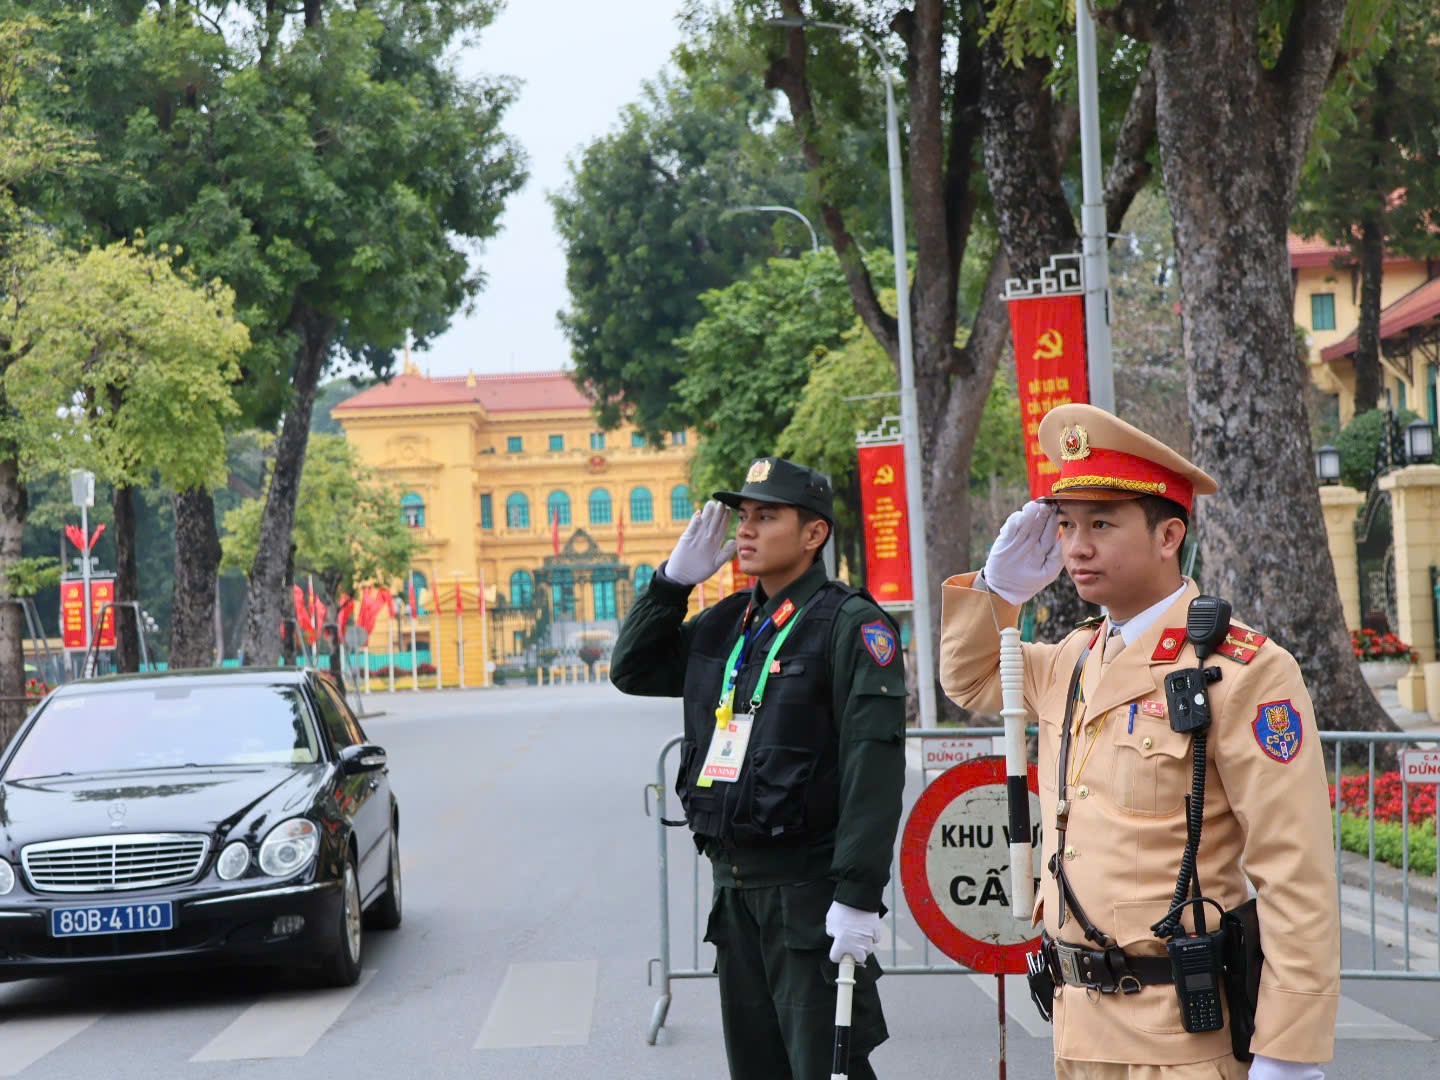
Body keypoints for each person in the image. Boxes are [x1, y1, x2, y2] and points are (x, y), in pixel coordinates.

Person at [939, 404, 1339, 1080]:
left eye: (1101, 523)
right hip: (1079, 1029)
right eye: (1065, 525)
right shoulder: (1073, 660)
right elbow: (973, 678)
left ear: (1167, 535)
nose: (1075, 548)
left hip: (1181, 1040)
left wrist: (1288, 1051)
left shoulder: (1243, 670)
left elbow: (1294, 872)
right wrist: (995, 591)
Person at [610, 456, 906, 1080]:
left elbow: (871, 771)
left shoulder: (849, 625)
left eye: (765, 517)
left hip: (806, 892)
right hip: (734, 890)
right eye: (742, 516)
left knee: (828, 1067)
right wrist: (670, 584)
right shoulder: (726, 625)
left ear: (813, 534)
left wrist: (857, 896)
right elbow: (631, 669)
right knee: (757, 1067)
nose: (744, 530)